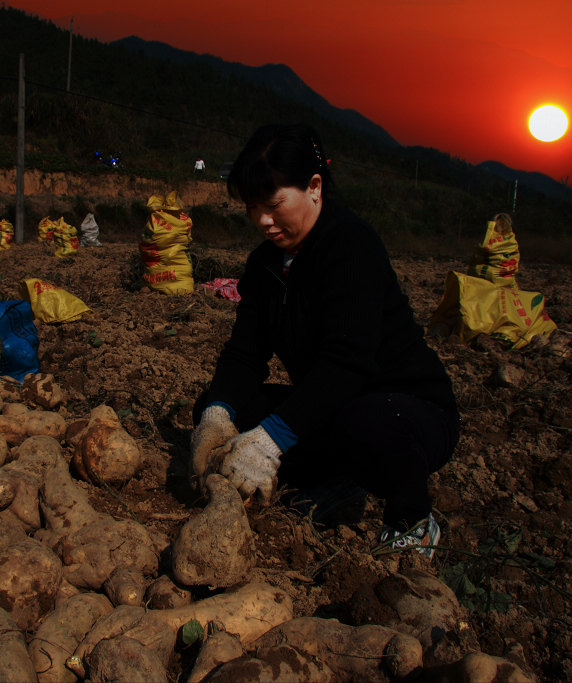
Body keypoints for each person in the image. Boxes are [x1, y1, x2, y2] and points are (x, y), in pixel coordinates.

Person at [190, 123, 459, 557]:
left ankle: (413, 523)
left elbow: (347, 364)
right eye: (252, 207)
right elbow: (244, 353)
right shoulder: (264, 266)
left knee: (367, 420)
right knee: (221, 404)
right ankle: (336, 485)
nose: (262, 220)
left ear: (314, 188)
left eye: (274, 204)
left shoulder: (352, 247)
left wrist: (269, 440)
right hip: (333, 406)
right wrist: (217, 417)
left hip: (406, 412)